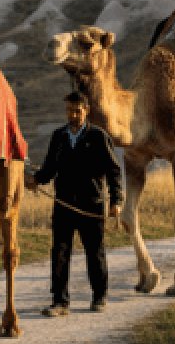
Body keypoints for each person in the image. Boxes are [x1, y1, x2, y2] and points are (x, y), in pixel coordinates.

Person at [24, 91, 124, 315]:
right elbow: (50, 168)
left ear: (86, 110)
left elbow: (113, 171)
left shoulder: (98, 136)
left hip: (91, 205)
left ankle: (99, 297)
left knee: (94, 251)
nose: (73, 115)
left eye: (77, 111)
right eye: (69, 110)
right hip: (63, 204)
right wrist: (36, 180)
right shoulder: (58, 136)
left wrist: (116, 200)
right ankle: (60, 301)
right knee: (59, 251)